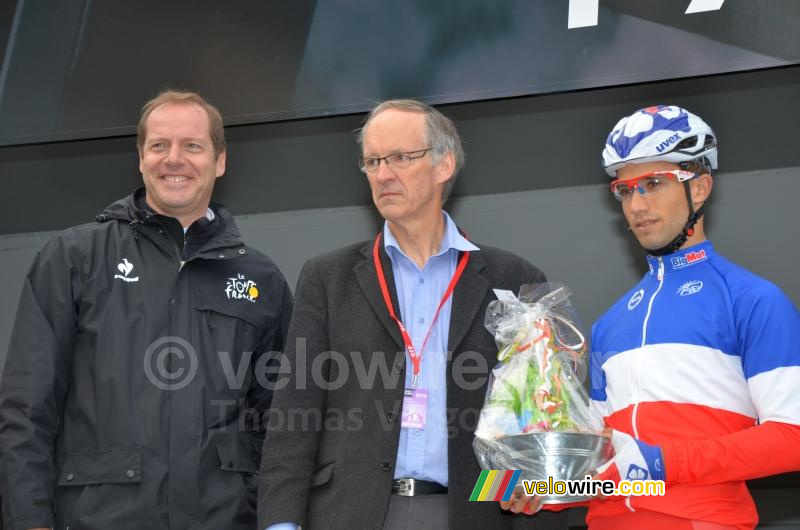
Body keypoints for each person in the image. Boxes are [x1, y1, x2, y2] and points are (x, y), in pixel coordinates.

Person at [257, 99, 569, 530]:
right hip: (350, 514)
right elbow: (294, 416)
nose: (383, 174)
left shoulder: (513, 279)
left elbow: (543, 423)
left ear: (445, 165)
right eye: (372, 161)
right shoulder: (328, 278)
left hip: (474, 513)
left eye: (401, 158)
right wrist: (280, 523)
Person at [0, 90, 293, 530]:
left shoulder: (260, 278)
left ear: (220, 161)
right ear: (140, 158)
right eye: (159, 145)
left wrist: (279, 519)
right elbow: (27, 408)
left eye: (192, 146)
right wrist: (29, 520)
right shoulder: (74, 258)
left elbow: (283, 423)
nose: (174, 159)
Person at [510, 105, 800, 529]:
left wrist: (660, 461)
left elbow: (792, 438)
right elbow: (611, 467)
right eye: (625, 191)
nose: (637, 204)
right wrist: (542, 489)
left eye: (653, 184)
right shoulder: (610, 322)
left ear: (699, 189)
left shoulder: (753, 300)